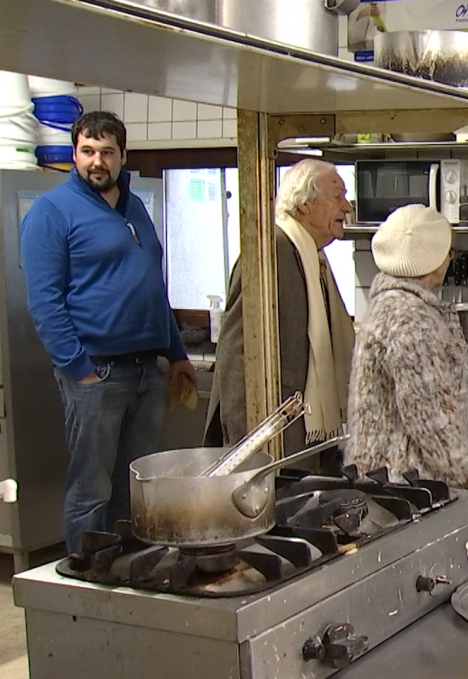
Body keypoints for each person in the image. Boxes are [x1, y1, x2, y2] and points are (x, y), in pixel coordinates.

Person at [21, 111, 196, 552]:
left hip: (146, 372)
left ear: (122, 156)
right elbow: (44, 301)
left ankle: (125, 572)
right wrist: (77, 368)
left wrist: (176, 353)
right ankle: (87, 577)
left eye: (107, 152)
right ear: (75, 154)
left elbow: (153, 285)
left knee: (133, 486)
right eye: (87, 151)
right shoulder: (52, 211)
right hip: (95, 374)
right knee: (91, 489)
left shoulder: (134, 206)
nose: (96, 161)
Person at [205, 159, 355, 456]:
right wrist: (246, 446)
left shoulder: (313, 256)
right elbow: (237, 353)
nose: (347, 207)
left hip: (301, 431)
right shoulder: (272, 251)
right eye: (336, 196)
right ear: (304, 204)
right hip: (271, 435)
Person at [345, 204, 468, 484]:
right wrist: (464, 462)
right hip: (405, 478)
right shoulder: (411, 318)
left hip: (383, 471)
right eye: (449, 253)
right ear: (436, 260)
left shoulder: (388, 304)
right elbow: (425, 411)